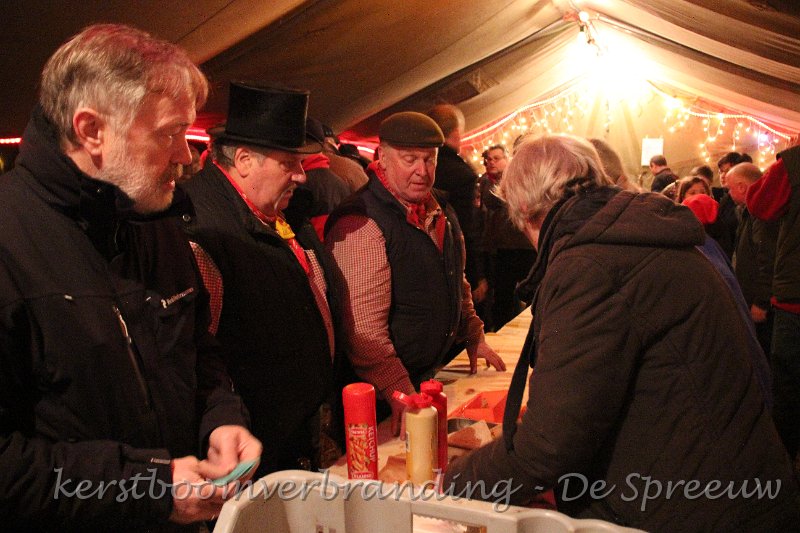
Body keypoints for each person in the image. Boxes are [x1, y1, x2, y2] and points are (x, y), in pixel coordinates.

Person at [443, 134, 799, 531]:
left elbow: (547, 447)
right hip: (731, 488)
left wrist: (448, 485)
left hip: (705, 507)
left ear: (523, 208)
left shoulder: (591, 262)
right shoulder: (635, 232)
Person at [0, 24, 261, 531]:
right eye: (168, 133)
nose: (186, 155)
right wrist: (144, 487)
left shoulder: (151, 220)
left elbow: (199, 350)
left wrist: (223, 416)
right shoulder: (9, 242)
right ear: (91, 130)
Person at [181, 83, 350, 476]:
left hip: (291, 439)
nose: (301, 176)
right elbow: (199, 357)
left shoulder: (272, 211)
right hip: (250, 449)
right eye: (289, 163)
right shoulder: (205, 232)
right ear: (243, 160)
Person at [325, 112, 505, 433]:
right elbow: (363, 330)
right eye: (410, 159)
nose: (422, 171)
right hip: (381, 396)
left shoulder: (440, 209)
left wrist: (473, 334)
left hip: (425, 380)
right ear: (382, 157)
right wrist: (399, 389)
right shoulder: (362, 221)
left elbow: (455, 280)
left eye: (429, 160)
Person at [747, 143, 800, 467]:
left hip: (795, 301)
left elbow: (759, 204)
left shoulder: (794, 164)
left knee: (789, 393)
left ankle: (783, 478)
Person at [426, 104, 483, 295]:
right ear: (457, 133)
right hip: (455, 266)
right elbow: (466, 230)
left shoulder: (422, 167)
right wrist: (475, 277)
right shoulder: (462, 174)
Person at [479, 144, 536, 331]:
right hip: (502, 248)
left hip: (523, 246)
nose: (491, 162)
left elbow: (497, 201)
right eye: (488, 159)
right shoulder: (486, 183)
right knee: (503, 296)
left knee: (530, 292)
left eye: (496, 158)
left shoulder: (518, 179)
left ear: (507, 160)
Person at [727, 163, 778, 357]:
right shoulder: (752, 210)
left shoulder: (761, 211)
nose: (729, 194)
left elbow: (767, 259)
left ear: (741, 186)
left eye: (730, 188)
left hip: (762, 305)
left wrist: (761, 302)